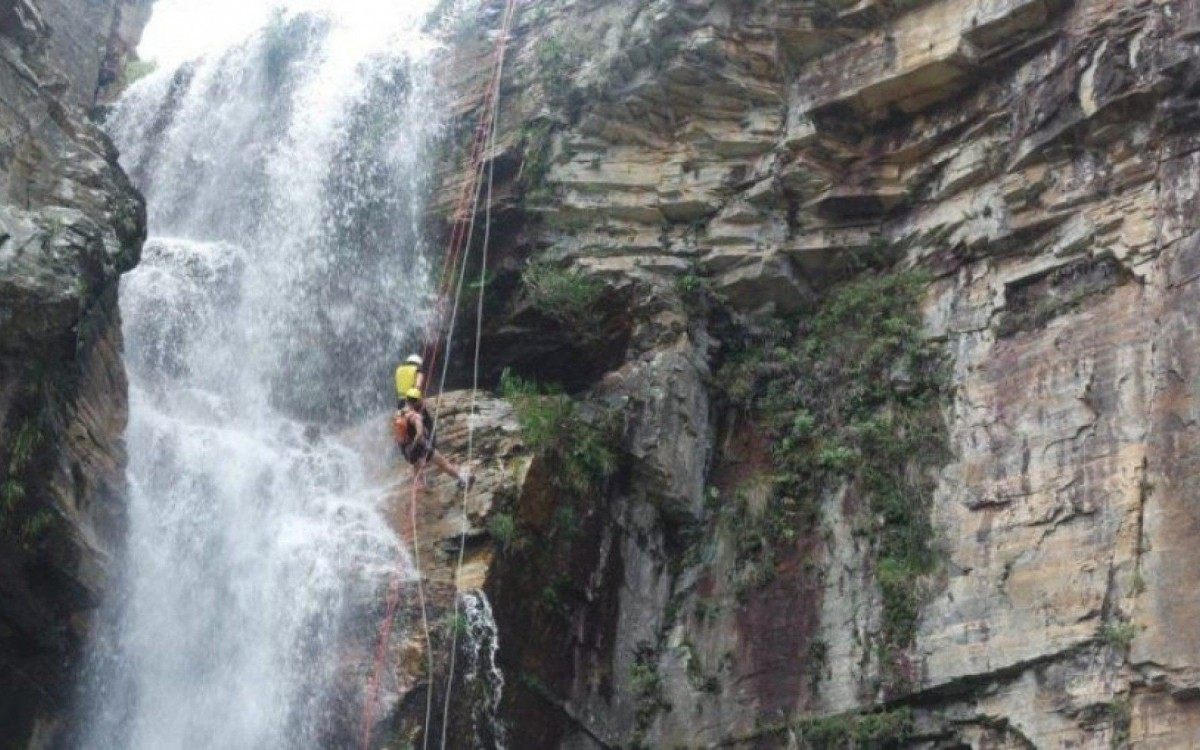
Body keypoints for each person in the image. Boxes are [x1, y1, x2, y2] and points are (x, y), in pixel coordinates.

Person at [393, 388, 470, 490]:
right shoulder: (415, 416)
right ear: (417, 400)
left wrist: (410, 448)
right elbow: (419, 433)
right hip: (421, 447)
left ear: (407, 400)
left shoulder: (400, 415)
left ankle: (420, 486)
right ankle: (462, 479)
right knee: (443, 463)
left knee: (417, 466)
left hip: (407, 449)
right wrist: (416, 444)